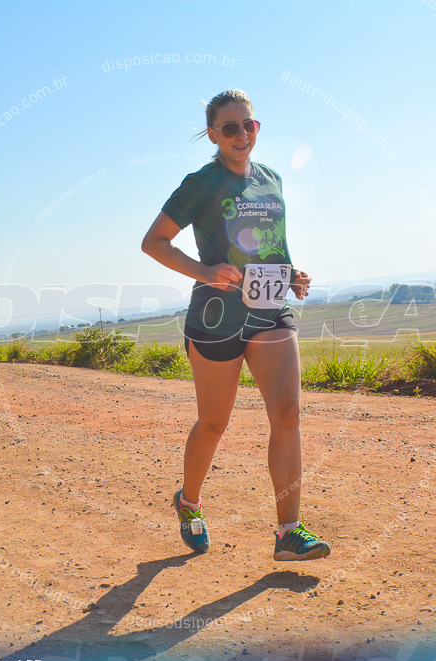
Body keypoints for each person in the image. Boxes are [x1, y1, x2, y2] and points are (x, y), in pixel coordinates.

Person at [141, 90, 330, 561]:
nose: (242, 135)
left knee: (287, 415)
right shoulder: (201, 182)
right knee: (213, 423)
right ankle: (189, 501)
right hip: (216, 317)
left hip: (269, 313)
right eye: (230, 128)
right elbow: (154, 242)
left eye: (249, 125)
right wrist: (204, 271)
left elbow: (272, 244)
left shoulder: (273, 180)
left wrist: (291, 274)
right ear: (213, 135)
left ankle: (289, 532)